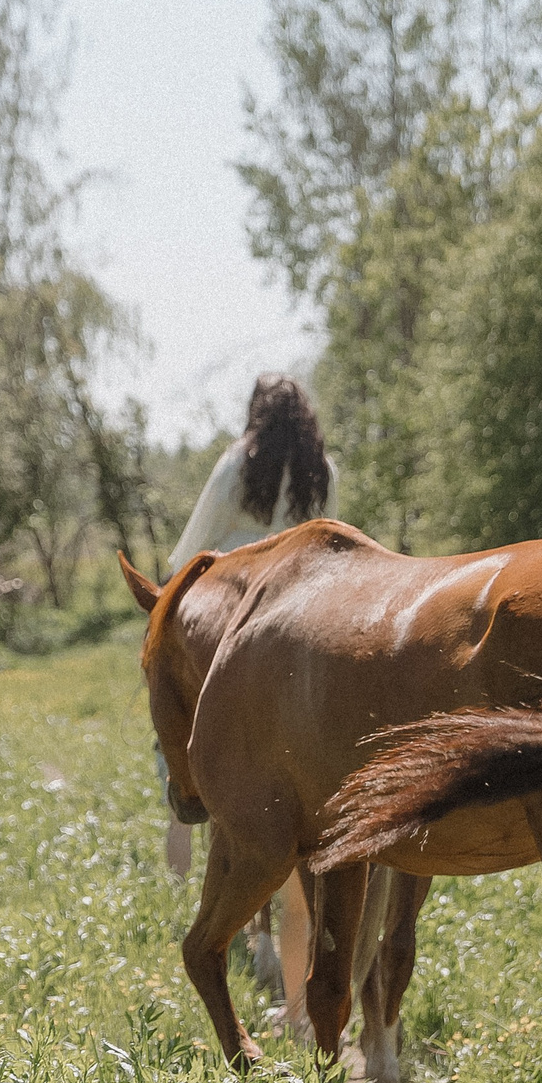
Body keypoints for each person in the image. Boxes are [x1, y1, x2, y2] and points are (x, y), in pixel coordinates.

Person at [158, 374, 337, 1014]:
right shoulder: (323, 471)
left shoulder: (240, 463)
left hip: (232, 624)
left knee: (225, 781)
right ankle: (285, 941)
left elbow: (190, 547)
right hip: (300, 626)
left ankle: (249, 933)